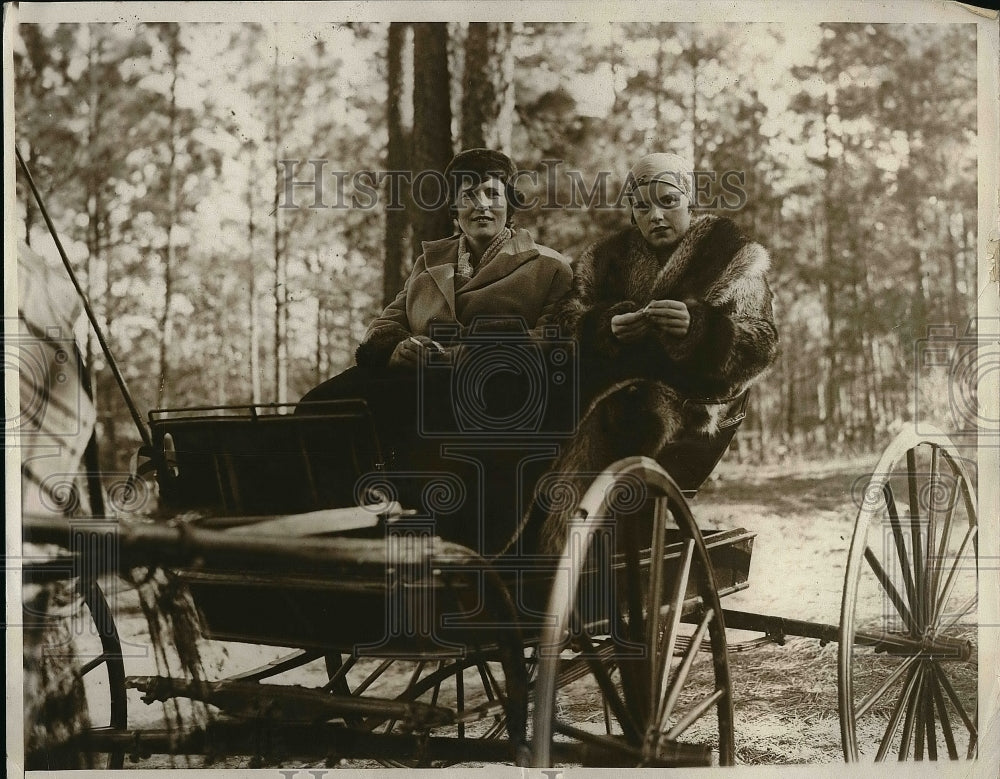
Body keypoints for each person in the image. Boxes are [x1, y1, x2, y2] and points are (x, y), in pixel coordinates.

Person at [299, 148, 573, 553]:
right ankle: (340, 530)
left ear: (510, 204)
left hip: (498, 395)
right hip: (417, 382)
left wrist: (466, 356)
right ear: (453, 206)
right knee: (321, 406)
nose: (480, 206)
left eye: (492, 194)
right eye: (467, 195)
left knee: (438, 437)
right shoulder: (429, 262)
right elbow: (387, 323)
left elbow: (554, 336)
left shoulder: (549, 266)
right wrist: (395, 350)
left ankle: (456, 545)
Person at [527, 152, 779, 555]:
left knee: (620, 416)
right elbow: (563, 318)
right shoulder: (605, 259)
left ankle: (568, 549)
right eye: (642, 207)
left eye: (668, 202)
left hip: (690, 406)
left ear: (690, 202)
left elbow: (762, 344)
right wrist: (602, 326)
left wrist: (700, 330)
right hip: (603, 390)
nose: (656, 216)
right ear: (632, 212)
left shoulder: (730, 256)